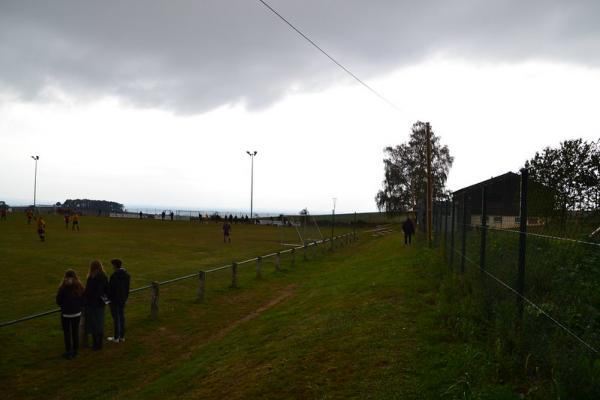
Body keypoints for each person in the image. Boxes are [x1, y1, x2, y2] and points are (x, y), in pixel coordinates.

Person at [56, 269, 85, 359]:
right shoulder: (79, 286)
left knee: (67, 333)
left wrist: (64, 306)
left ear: (65, 277)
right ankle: (75, 351)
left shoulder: (63, 288)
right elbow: (83, 299)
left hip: (66, 314)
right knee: (75, 332)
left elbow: (58, 300)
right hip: (77, 313)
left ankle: (69, 351)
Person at [84, 260, 109, 350]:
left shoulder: (91, 278)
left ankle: (96, 344)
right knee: (99, 323)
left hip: (93, 304)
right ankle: (99, 344)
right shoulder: (104, 276)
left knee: (94, 324)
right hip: (100, 304)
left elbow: (88, 291)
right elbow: (106, 290)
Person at [107, 258, 130, 343]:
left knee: (116, 318)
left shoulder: (114, 276)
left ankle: (116, 337)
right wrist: (125, 298)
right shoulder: (127, 275)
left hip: (114, 300)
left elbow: (111, 289)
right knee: (121, 317)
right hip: (122, 299)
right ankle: (122, 336)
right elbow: (127, 288)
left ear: (115, 265)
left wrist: (108, 299)